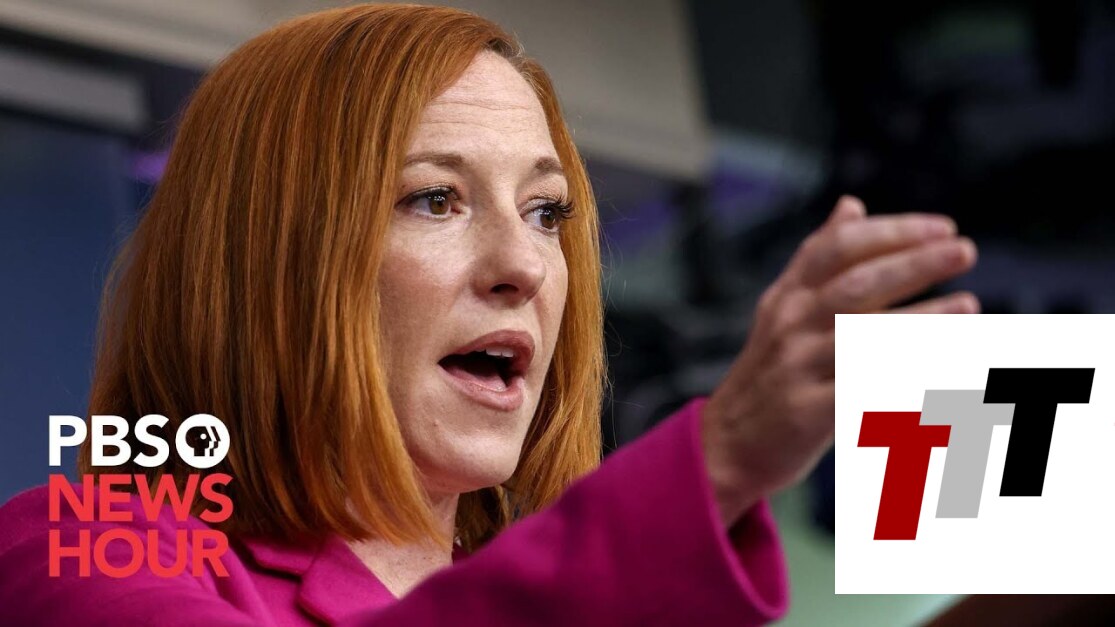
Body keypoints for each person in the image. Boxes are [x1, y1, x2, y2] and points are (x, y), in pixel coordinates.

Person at [0, 4, 978, 625]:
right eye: (435, 198)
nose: (523, 267)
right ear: (270, 262)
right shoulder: (77, 549)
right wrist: (717, 462)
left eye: (546, 213)